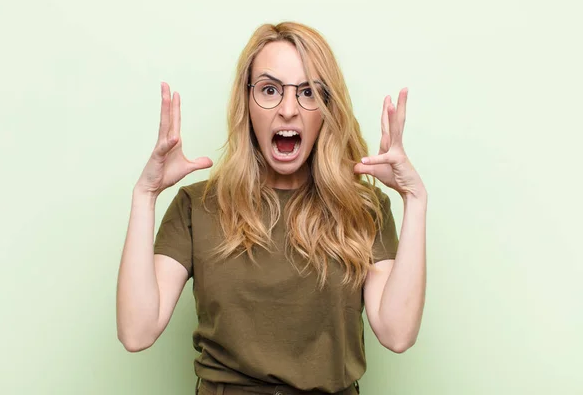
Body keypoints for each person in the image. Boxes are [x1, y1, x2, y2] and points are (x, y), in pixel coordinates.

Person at [116, 21, 427, 395]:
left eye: (308, 92)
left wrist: (415, 200)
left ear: (327, 107)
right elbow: (137, 331)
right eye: (269, 90)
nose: (288, 110)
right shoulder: (195, 207)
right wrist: (145, 195)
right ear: (246, 103)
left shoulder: (363, 208)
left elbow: (397, 334)